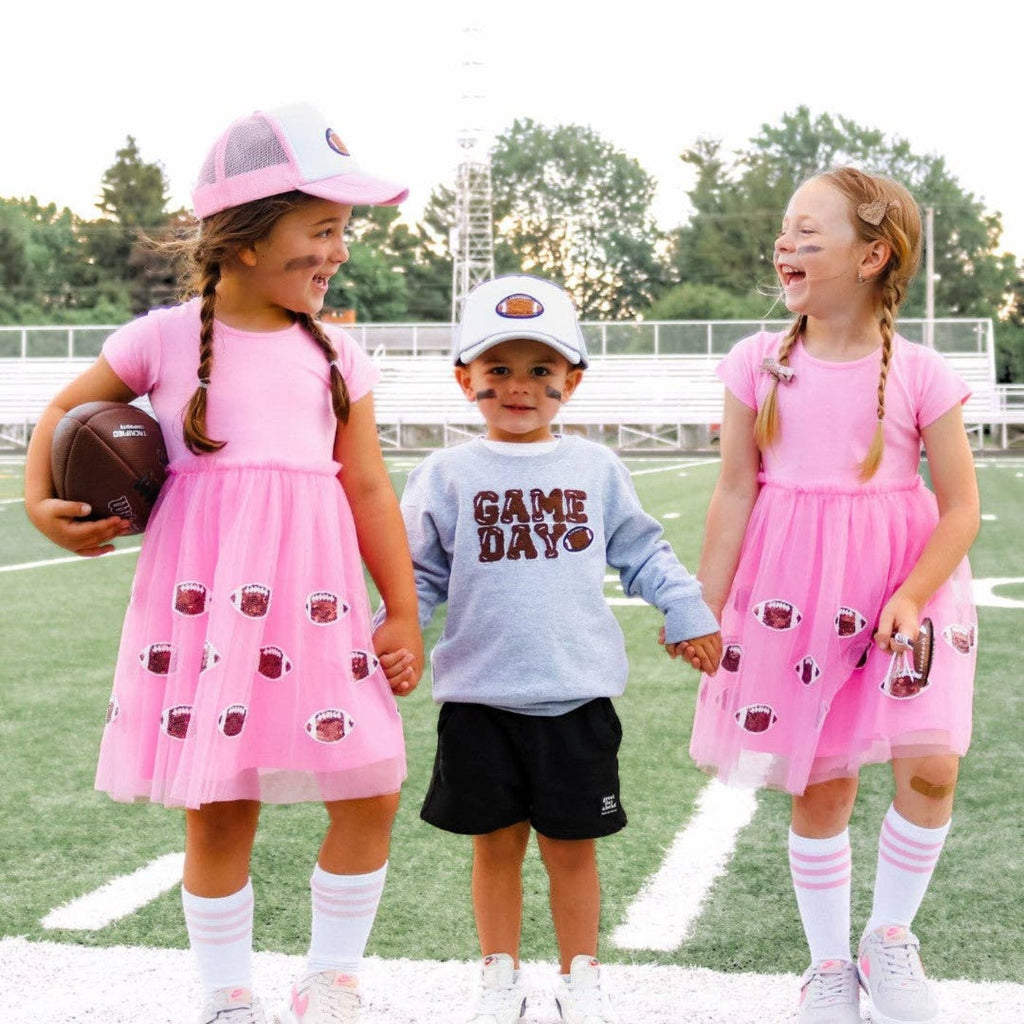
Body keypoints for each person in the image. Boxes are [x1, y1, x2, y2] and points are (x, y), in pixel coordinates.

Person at [23, 102, 424, 1024]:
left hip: (318, 609)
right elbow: (60, 416)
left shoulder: (339, 356)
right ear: (244, 238)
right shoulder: (164, 339)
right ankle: (225, 996)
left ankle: (331, 977)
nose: (338, 250)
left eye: (343, 232)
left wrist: (399, 611)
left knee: (371, 784)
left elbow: (367, 490)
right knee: (220, 807)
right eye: (320, 229)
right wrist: (44, 507)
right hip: (207, 614)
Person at [689, 167, 979, 1024]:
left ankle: (888, 938)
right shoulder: (755, 364)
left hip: (904, 593)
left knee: (930, 767)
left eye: (809, 233)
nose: (786, 243)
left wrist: (914, 594)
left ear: (871, 255)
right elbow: (735, 491)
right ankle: (825, 966)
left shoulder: (923, 372)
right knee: (822, 782)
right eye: (784, 230)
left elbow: (961, 508)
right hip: (794, 593)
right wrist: (702, 608)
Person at [393, 273, 722, 1024]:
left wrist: (685, 608)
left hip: (575, 696)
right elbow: (417, 575)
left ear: (571, 380)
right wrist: (397, 630)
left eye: (540, 370)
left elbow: (643, 551)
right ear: (464, 378)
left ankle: (582, 978)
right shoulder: (444, 474)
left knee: (573, 850)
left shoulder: (595, 468)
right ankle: (498, 977)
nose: (519, 387)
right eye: (498, 369)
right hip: (479, 698)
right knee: (495, 849)